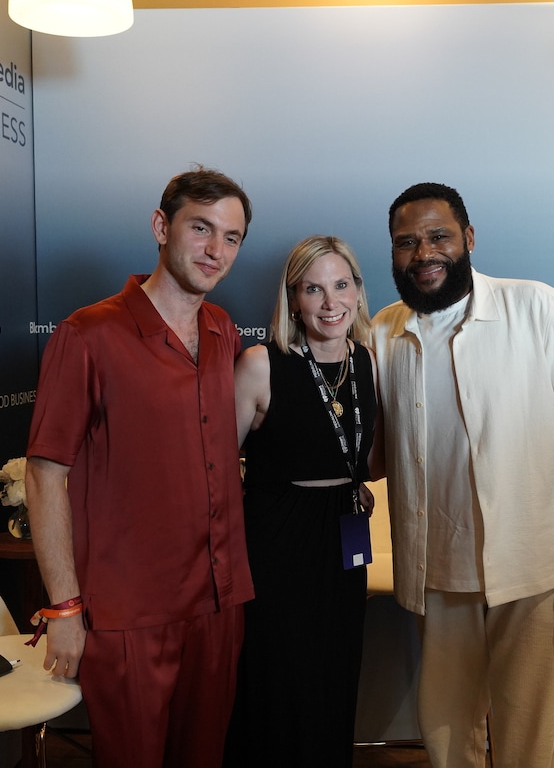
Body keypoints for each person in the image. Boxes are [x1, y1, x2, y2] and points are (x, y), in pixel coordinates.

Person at [369, 182, 554, 768]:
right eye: (406, 242)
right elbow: (373, 454)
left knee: (530, 733)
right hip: (436, 569)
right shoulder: (380, 330)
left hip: (536, 567)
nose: (423, 253)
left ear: (469, 238)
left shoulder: (537, 306)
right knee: (447, 734)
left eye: (438, 236)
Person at [24, 167, 255, 768]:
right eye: (201, 228)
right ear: (160, 226)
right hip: (129, 611)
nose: (215, 249)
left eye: (231, 237)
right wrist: (64, 608)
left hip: (219, 600)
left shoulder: (222, 329)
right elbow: (44, 476)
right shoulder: (88, 334)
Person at [223, 236, 378, 768]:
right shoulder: (261, 363)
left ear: (358, 292)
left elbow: (358, 452)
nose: (330, 302)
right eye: (314, 289)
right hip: (277, 539)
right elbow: (216, 468)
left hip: (345, 533)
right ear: (293, 300)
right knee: (280, 674)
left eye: (341, 285)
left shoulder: (367, 361)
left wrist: (353, 483)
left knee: (336, 667)